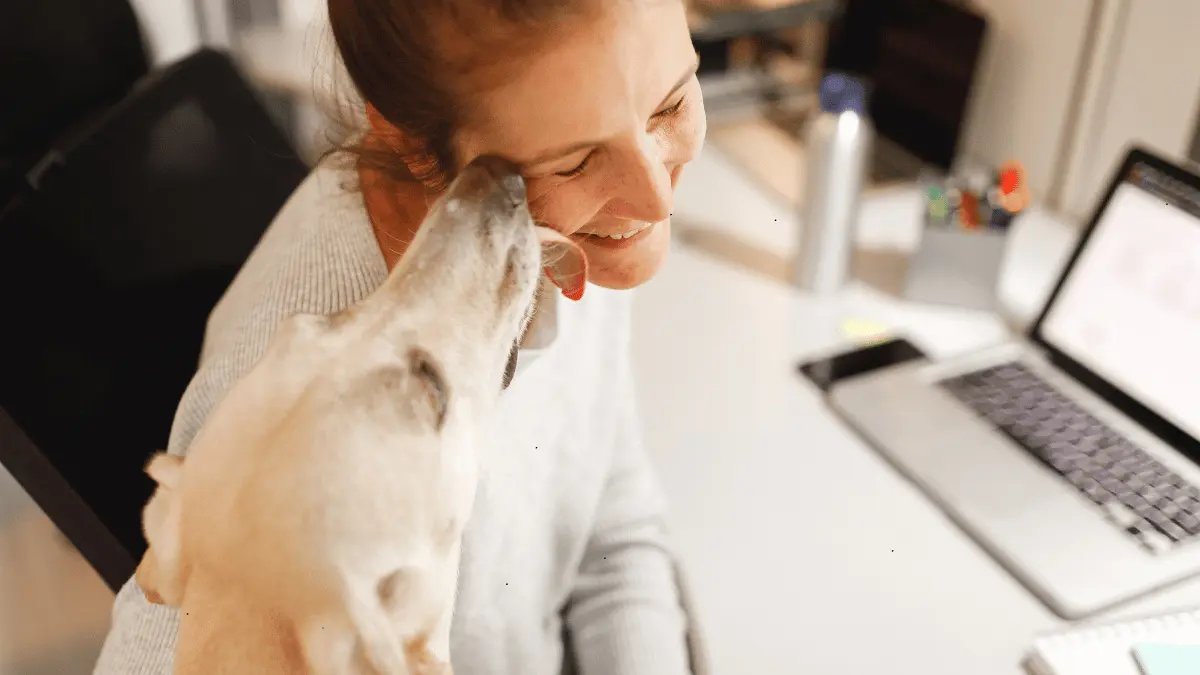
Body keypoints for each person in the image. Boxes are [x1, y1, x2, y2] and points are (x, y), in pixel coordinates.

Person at [93, 0, 708, 672]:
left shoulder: (569, 208)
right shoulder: (282, 412)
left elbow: (613, 535)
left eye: (671, 105)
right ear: (415, 145)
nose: (656, 200)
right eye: (574, 162)